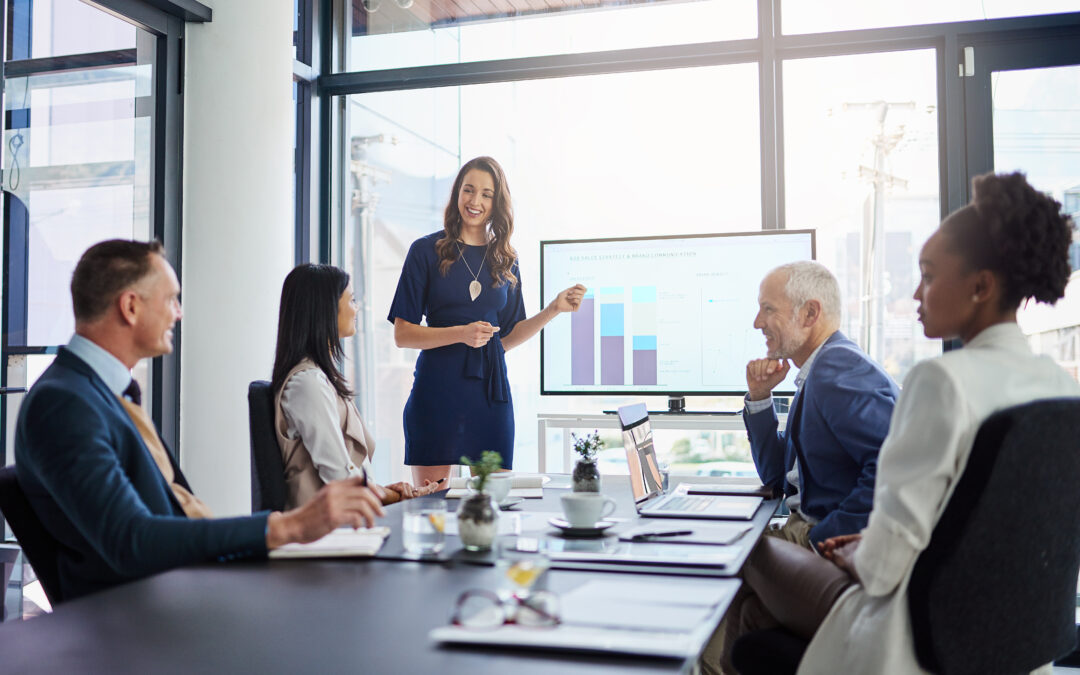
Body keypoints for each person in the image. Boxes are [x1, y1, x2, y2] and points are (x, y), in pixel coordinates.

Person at [738, 171, 1080, 675]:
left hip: (913, 633)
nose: (915, 293)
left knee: (745, 553)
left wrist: (854, 549)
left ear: (981, 286)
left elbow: (883, 566)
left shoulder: (941, 381)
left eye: (929, 274)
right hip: (1011, 637)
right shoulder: (1059, 385)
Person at [15, 240, 385, 601]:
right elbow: (130, 541)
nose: (178, 312)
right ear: (130, 306)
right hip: (139, 614)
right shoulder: (64, 404)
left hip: (178, 587)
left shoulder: (104, 392)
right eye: (171, 299)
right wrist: (289, 526)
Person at [703, 261, 900, 674]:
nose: (758, 322)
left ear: (809, 314)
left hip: (825, 533)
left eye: (768, 309)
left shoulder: (837, 369)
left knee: (733, 556)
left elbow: (892, 466)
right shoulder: (816, 372)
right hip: (809, 523)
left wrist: (822, 539)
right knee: (744, 611)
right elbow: (778, 477)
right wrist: (758, 398)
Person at [388, 156, 586, 486]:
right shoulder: (425, 251)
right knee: (431, 506)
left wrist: (552, 309)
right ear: (456, 195)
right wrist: (461, 334)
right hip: (436, 391)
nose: (475, 201)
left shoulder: (505, 259)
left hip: (491, 396)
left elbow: (505, 339)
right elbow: (403, 334)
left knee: (493, 504)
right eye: (468, 190)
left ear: (497, 203)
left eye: (486, 194)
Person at [271, 263, 438, 508]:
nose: (357, 308)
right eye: (351, 300)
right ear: (325, 310)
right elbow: (340, 478)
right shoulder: (307, 384)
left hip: (343, 523)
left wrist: (387, 491)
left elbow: (346, 474)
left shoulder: (320, 379)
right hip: (324, 533)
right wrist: (395, 496)